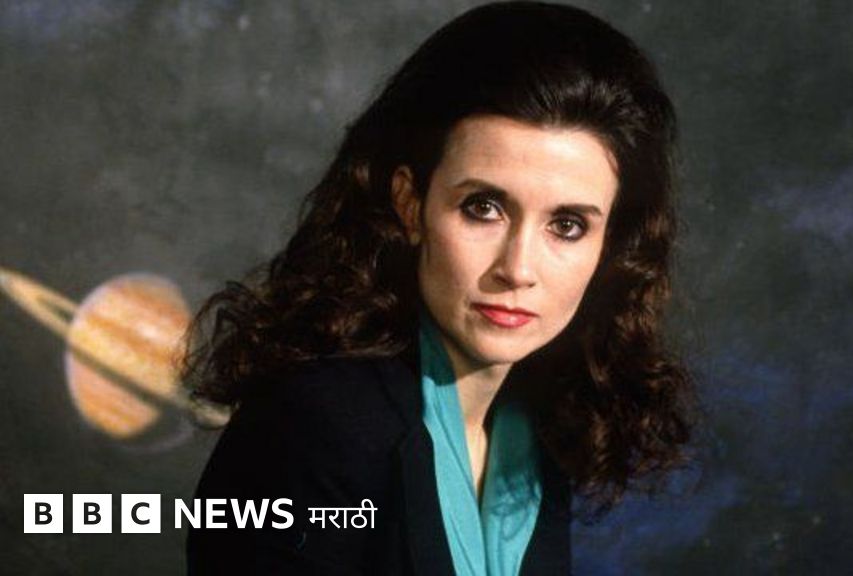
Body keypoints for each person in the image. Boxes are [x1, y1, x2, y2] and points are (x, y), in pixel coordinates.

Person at [182, 2, 698, 574]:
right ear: (410, 205)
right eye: (483, 208)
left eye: (568, 225)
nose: (517, 268)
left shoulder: (535, 434)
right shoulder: (319, 423)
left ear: (610, 246)